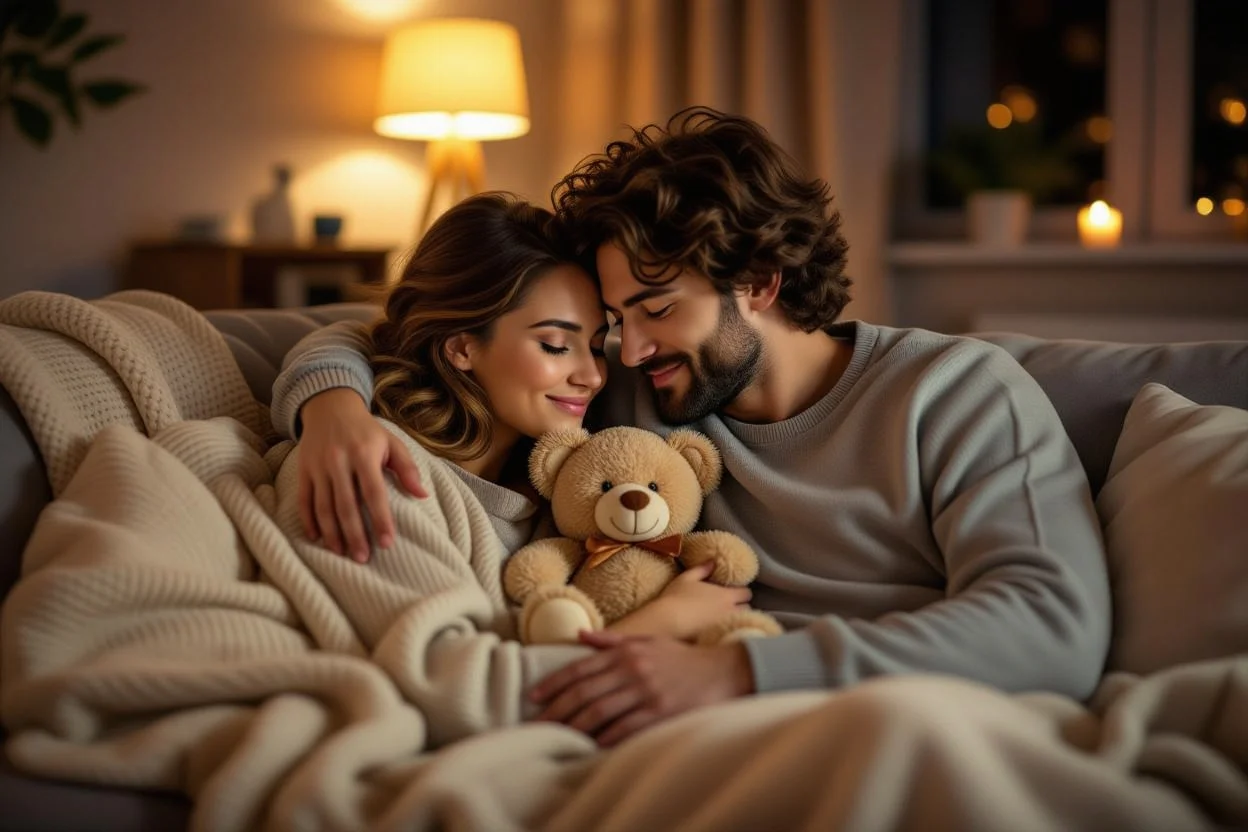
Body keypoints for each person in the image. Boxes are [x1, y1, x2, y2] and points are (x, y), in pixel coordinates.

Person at [273, 109, 1111, 749]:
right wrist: (332, 407)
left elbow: (1051, 627)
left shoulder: (956, 393)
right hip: (696, 734)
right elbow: (385, 333)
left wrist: (740, 671)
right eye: (615, 320)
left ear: (760, 283)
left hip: (897, 719)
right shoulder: (630, 395)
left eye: (658, 309)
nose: (628, 351)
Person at [275, 190, 751, 643]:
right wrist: (657, 625)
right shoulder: (381, 473)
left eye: (593, 346)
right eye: (555, 345)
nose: (593, 376)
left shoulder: (568, 484)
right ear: (462, 347)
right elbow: (454, 678)